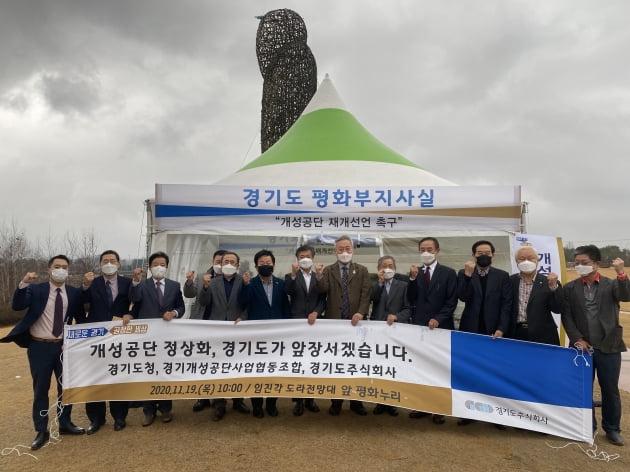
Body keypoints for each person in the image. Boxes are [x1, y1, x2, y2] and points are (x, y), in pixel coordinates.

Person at [0, 255, 86, 451]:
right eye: (57, 266)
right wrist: (23, 284)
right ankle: (41, 429)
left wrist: (72, 342)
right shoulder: (36, 289)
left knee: (66, 387)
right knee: (41, 389)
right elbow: (18, 305)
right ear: (49, 269)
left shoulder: (72, 293)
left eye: (64, 267)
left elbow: (80, 319)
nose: (61, 270)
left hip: (64, 347)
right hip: (39, 347)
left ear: (68, 271)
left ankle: (65, 423)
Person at [561, 245, 628, 446]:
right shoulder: (570, 288)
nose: (580, 266)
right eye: (577, 263)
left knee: (610, 390)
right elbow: (567, 316)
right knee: (582, 389)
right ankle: (586, 427)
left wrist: (621, 273)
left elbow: (626, 296)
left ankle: (612, 429)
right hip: (582, 349)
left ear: (597, 264)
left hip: (609, 346)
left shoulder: (610, 285)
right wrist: (576, 338)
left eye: (585, 263)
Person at [456, 240, 512, 427]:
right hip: (471, 328)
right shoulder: (464, 273)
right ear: (473, 255)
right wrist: (467, 275)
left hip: (494, 330)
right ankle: (468, 412)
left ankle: (496, 414)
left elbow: (506, 304)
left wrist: (502, 327)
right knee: (470, 371)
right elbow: (463, 296)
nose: (483, 255)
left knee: (494, 371)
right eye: (479, 253)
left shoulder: (503, 276)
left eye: (487, 252)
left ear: (493, 255)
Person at [315, 235, 371, 416]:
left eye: (347, 248)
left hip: (356, 325)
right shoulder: (329, 270)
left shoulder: (362, 270)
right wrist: (319, 275)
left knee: (356, 364)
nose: (344, 252)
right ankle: (336, 402)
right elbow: (322, 290)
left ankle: (357, 402)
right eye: (340, 249)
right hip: (335, 325)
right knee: (337, 364)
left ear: (353, 250)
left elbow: (365, 295)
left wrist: (361, 312)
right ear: (334, 251)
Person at [128, 251, 185, 427]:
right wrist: (136, 281)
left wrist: (174, 313)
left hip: (167, 337)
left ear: (167, 267)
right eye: (155, 264)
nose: (159, 267)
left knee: (165, 372)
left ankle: (166, 408)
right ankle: (148, 410)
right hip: (147, 337)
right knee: (148, 372)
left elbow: (181, 307)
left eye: (162, 264)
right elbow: (134, 299)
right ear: (150, 267)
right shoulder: (142, 285)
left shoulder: (175, 286)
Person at [406, 237, 458, 424]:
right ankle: (422, 406)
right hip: (420, 328)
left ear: (437, 251)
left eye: (429, 249)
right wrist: (412, 279)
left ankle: (439, 408)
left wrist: (439, 318)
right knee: (421, 368)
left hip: (441, 327)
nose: (425, 252)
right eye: (422, 249)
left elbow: (452, 301)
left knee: (439, 368)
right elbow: (410, 298)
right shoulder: (415, 272)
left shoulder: (448, 273)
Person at [80, 250, 132, 433]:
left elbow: (135, 301)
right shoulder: (92, 283)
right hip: (97, 335)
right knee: (95, 376)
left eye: (112, 260)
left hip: (119, 335)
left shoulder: (127, 282)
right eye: (105, 261)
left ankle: (119, 417)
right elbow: (82, 301)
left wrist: (130, 313)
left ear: (118, 263)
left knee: (117, 374)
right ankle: (96, 418)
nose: (109, 263)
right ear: (100, 264)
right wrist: (85, 286)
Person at [197, 251, 251, 420]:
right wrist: (205, 288)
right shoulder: (213, 282)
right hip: (217, 330)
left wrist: (243, 317)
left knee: (237, 367)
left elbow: (249, 303)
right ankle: (219, 404)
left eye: (232, 261)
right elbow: (204, 303)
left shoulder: (244, 281)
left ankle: (238, 400)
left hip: (238, 330)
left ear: (237, 265)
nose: (228, 264)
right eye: (225, 261)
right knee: (219, 368)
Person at [238, 249, 291, 418]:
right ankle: (257, 405)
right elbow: (242, 303)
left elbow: (286, 309)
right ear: (256, 266)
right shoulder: (250, 283)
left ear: (274, 264)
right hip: (256, 335)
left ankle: (271, 404)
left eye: (268, 263)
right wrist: (245, 286)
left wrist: (289, 329)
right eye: (262, 263)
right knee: (256, 371)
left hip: (277, 335)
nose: (265, 266)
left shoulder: (281, 284)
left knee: (274, 370)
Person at [285, 245, 326, 416]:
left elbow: (323, 297)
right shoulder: (290, 276)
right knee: (298, 361)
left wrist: (317, 311)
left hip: (315, 323)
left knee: (313, 360)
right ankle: (299, 400)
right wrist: (294, 275)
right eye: (302, 256)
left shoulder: (319, 276)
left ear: (313, 258)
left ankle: (310, 399)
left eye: (308, 256)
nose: (305, 258)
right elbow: (288, 291)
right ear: (297, 259)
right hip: (297, 323)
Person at [184, 249, 226, 413]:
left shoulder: (230, 279)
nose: (220, 264)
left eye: (223, 261)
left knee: (220, 363)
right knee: (203, 362)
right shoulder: (202, 276)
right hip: (202, 324)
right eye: (217, 260)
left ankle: (219, 399)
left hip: (222, 326)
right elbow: (189, 294)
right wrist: (189, 282)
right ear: (212, 261)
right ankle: (203, 397)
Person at [369, 255, 411, 417]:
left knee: (393, 368)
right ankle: (380, 402)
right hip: (378, 331)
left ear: (395, 268)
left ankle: (392, 402)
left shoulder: (404, 285)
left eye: (391, 265)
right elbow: (371, 299)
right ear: (379, 269)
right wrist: (379, 282)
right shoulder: (374, 285)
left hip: (396, 331)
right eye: (384, 266)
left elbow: (408, 308)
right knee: (379, 367)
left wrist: (397, 316)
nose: (388, 268)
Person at [508, 246, 562, 345]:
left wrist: (553, 287)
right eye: (522, 258)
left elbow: (558, 309)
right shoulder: (509, 281)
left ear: (537, 260)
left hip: (544, 335)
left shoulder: (549, 281)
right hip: (515, 333)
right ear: (516, 261)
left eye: (530, 258)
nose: (526, 261)